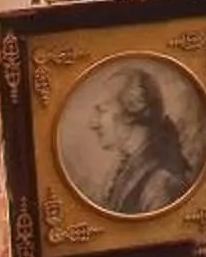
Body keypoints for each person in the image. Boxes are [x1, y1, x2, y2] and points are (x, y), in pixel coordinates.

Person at [84, 64, 197, 217]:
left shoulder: (160, 184)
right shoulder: (121, 170)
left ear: (131, 112)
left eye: (102, 110)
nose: (93, 124)